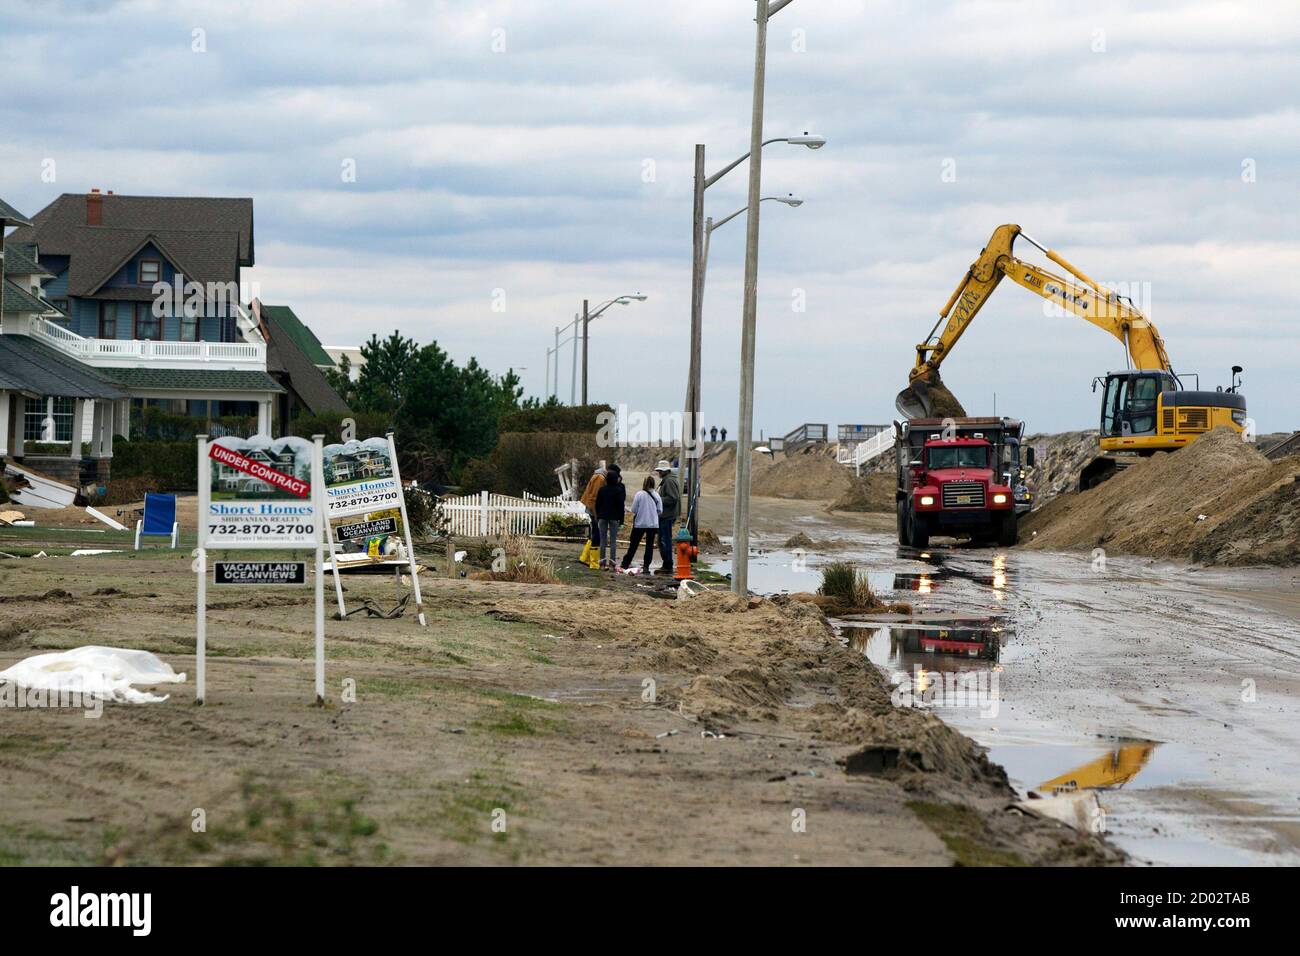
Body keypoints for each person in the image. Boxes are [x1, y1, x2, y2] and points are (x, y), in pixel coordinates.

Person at [621, 475, 662, 573]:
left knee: (634, 545)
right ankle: (646, 567)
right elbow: (660, 510)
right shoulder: (657, 495)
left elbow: (634, 509)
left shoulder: (639, 494)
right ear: (653, 484)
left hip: (639, 523)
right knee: (649, 546)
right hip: (652, 525)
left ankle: (626, 563)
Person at [594, 464, 625, 569]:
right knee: (613, 541)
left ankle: (602, 562)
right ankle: (612, 562)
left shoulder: (602, 490)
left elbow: (597, 504)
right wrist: (621, 520)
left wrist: (598, 515)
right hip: (614, 518)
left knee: (602, 540)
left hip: (602, 517)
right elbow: (621, 506)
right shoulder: (619, 490)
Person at [653, 460, 680, 574]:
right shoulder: (668, 480)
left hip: (667, 516)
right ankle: (667, 564)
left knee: (664, 540)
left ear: (664, 471)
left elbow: (673, 498)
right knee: (663, 540)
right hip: (665, 515)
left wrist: (658, 500)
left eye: (659, 471)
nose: (658, 472)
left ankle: (668, 565)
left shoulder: (669, 481)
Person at [579, 464, 606, 551]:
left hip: (591, 507)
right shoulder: (600, 479)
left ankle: (587, 555)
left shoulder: (597, 476)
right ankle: (593, 556)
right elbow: (594, 497)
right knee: (596, 532)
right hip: (593, 509)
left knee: (594, 531)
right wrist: (596, 513)